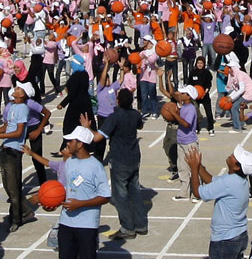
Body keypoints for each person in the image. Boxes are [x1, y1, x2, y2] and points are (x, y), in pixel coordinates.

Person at [82, 88, 147, 239]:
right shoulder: (135, 114)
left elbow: (97, 138)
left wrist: (87, 127)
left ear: (118, 101)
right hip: (134, 157)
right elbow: (140, 125)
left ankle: (127, 228)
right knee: (135, 191)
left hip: (119, 158)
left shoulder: (114, 117)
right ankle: (141, 225)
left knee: (120, 195)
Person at [39, 126, 111, 259]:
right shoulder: (69, 163)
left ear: (80, 144)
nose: (67, 143)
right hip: (66, 223)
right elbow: (67, 190)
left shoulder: (96, 166)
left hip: (86, 225)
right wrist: (54, 203)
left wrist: (80, 204)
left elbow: (105, 196)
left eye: (70, 141)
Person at [187, 145, 252, 259]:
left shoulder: (229, 182)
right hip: (239, 236)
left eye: (235, 156)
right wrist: (198, 165)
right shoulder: (238, 180)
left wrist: (194, 169)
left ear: (236, 167)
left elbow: (197, 193)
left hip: (225, 240)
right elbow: (211, 180)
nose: (232, 155)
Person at [0, 82, 36, 231]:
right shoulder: (12, 106)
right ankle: (25, 211)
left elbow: (19, 132)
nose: (15, 89)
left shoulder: (23, 108)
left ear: (24, 94)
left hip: (14, 150)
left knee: (13, 188)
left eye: (19, 88)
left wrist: (1, 135)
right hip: (5, 148)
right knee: (8, 186)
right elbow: (7, 126)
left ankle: (17, 218)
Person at [169, 84, 200, 202]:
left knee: (194, 168)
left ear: (188, 96)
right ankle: (184, 192)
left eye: (183, 93)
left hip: (190, 142)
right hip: (181, 140)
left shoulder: (191, 108)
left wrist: (174, 114)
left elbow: (186, 124)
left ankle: (197, 193)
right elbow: (173, 94)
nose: (180, 95)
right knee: (182, 168)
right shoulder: (183, 106)